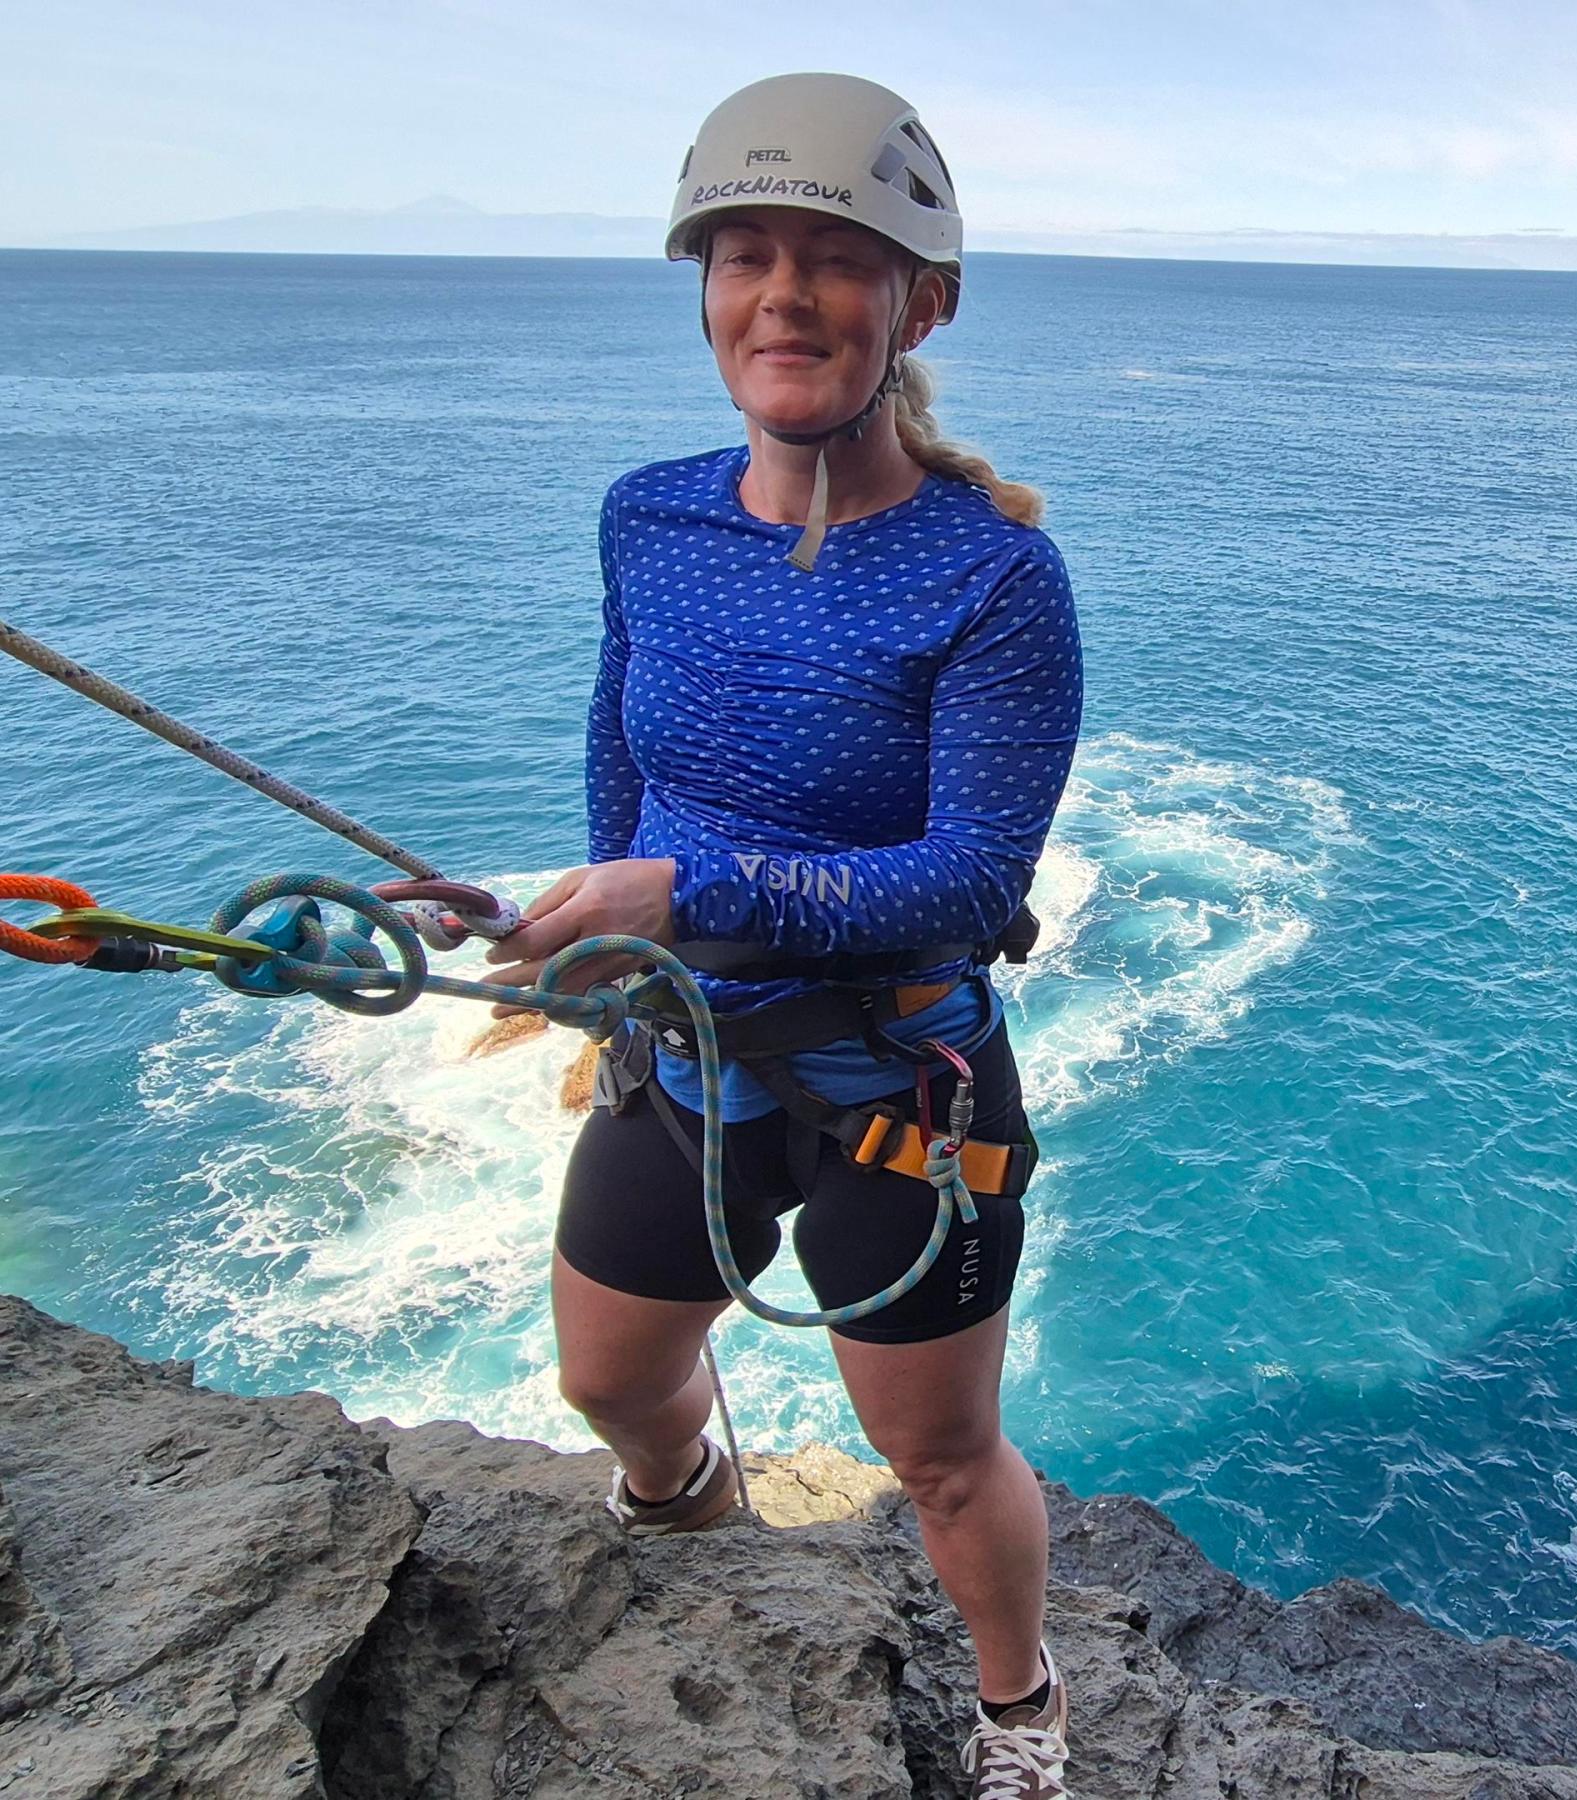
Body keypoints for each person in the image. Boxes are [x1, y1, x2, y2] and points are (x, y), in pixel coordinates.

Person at [482, 72, 1083, 1798]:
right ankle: (693, 1508)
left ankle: (1020, 1706)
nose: (783, 297)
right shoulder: (649, 517)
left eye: (834, 259)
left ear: (923, 301)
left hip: (900, 1078)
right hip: (680, 1048)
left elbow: (974, 880)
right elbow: (622, 743)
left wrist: (684, 893)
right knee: (610, 1378)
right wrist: (597, 935)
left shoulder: (992, 577)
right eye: (742, 255)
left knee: (940, 1453)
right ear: (703, 292)